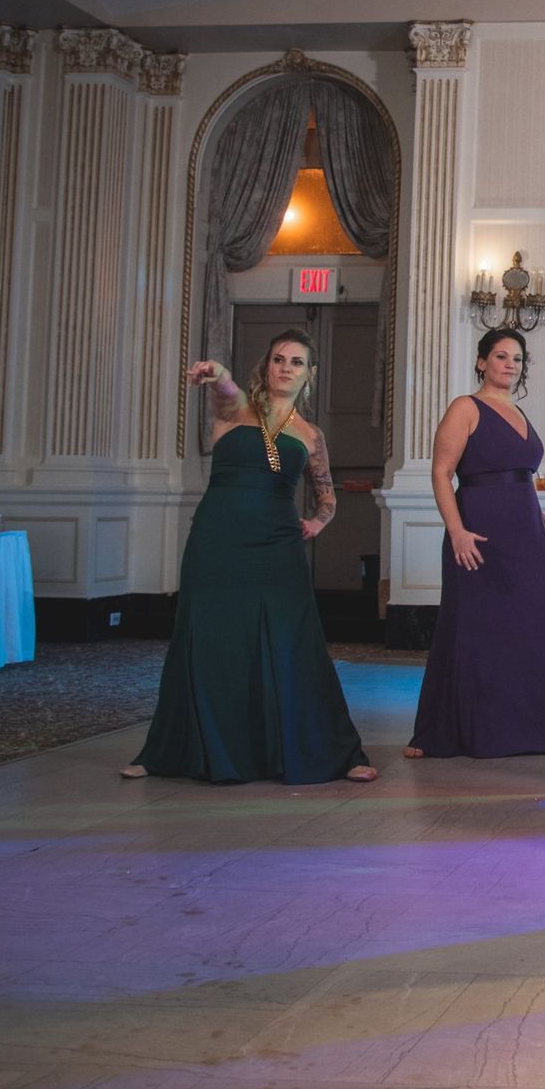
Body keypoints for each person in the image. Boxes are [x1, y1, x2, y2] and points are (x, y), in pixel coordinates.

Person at [123, 331, 375, 784]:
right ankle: (165, 751)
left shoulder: (310, 434)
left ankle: (334, 750)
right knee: (206, 637)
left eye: (297, 362)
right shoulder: (236, 410)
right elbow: (224, 388)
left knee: (290, 641)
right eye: (278, 359)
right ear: (267, 365)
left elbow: (326, 494)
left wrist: (318, 521)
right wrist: (217, 372)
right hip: (218, 539)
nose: (286, 368)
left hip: (276, 546)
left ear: (309, 375)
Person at [406, 328, 545, 759]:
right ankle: (448, 731)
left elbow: (516, 477)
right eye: (501, 356)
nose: (510, 364)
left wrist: (538, 517)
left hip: (526, 535)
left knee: (540, 627)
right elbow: (441, 473)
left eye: (517, 359)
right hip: (478, 534)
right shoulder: (465, 407)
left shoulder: (520, 413)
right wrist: (456, 530)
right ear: (481, 362)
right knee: (476, 630)